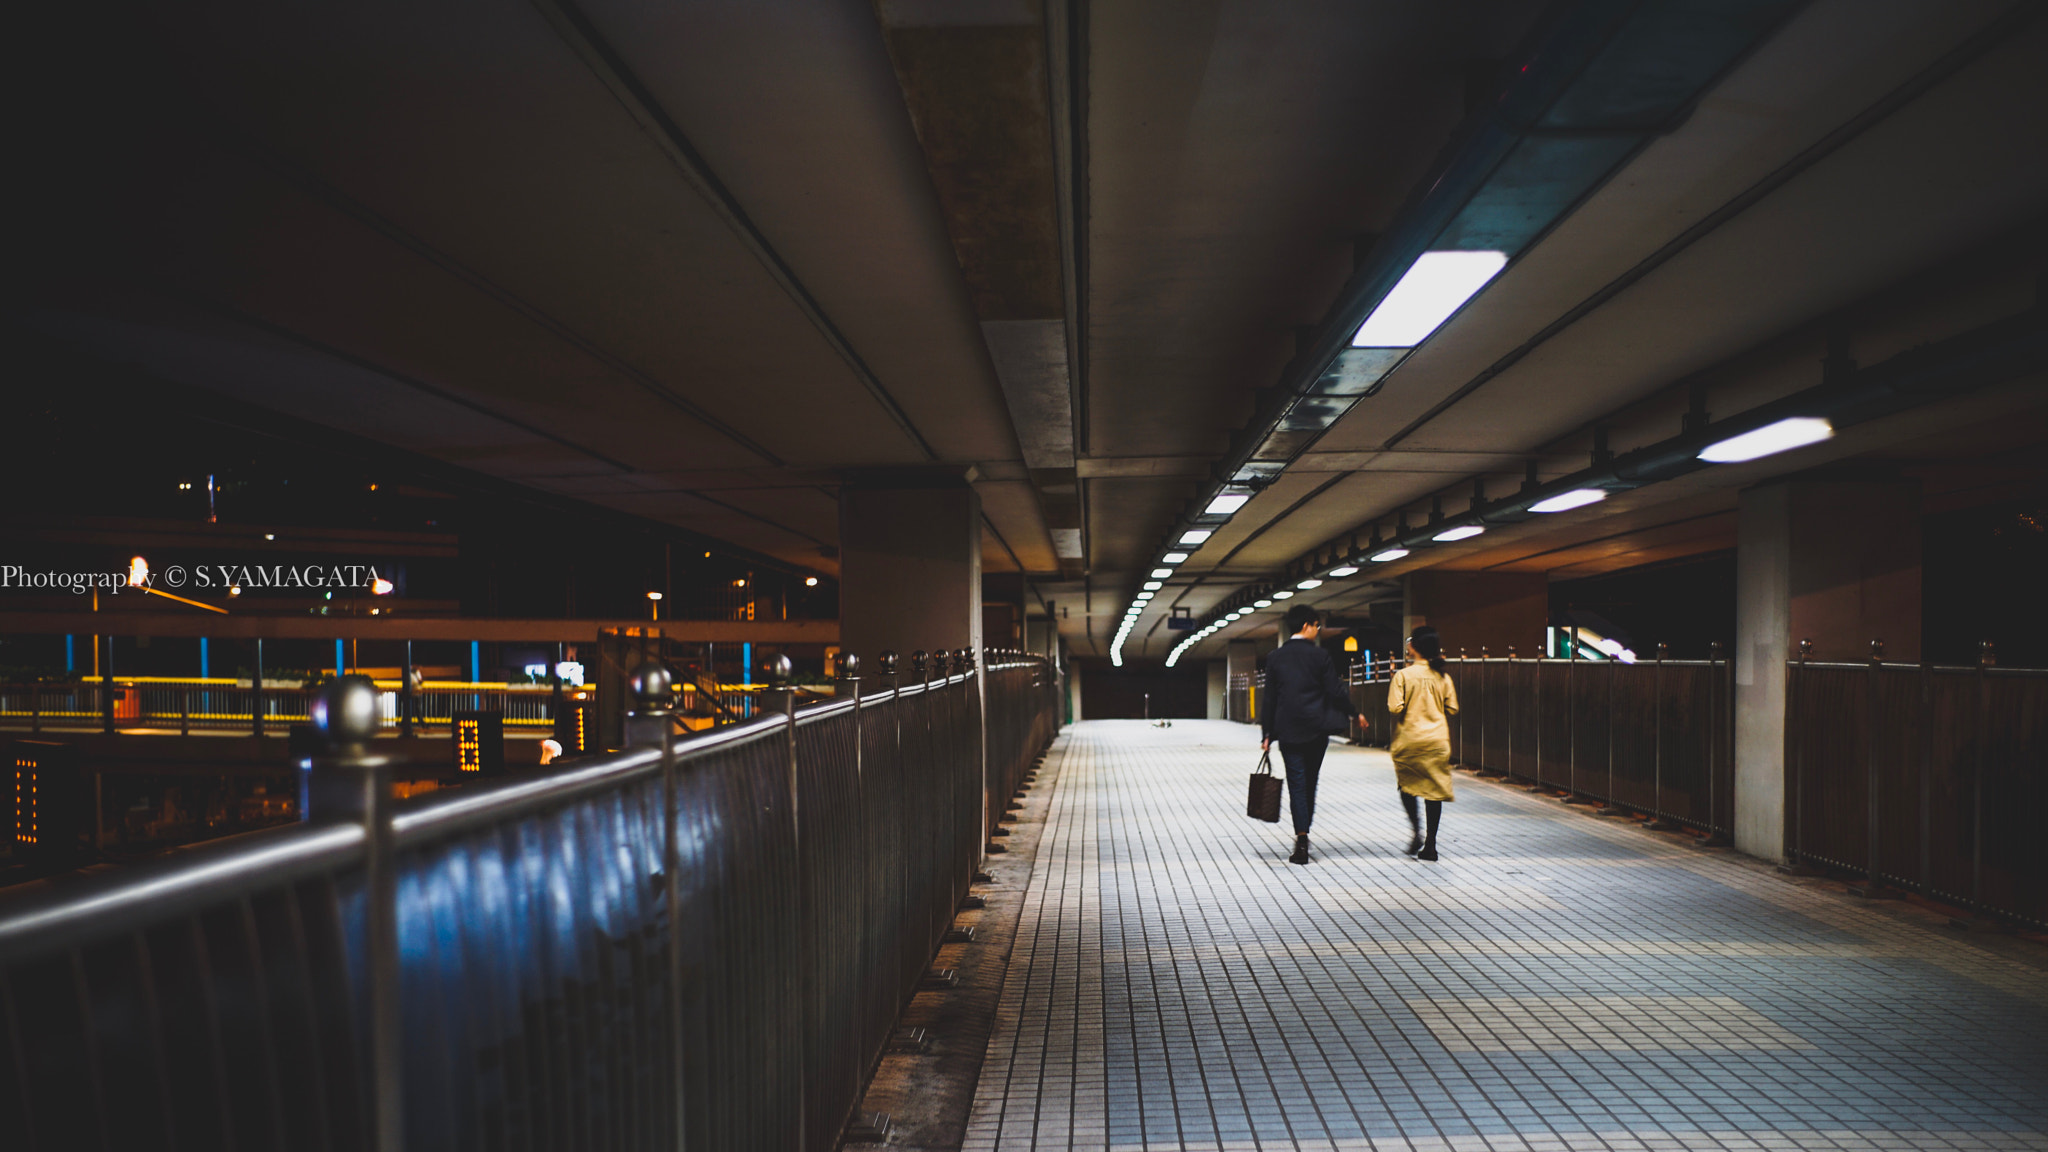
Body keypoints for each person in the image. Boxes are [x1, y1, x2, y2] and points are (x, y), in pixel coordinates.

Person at [1260, 604, 1361, 865]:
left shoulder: (1275, 657)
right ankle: (1305, 830)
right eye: (1316, 625)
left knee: (1296, 784)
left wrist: (1266, 734)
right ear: (1307, 625)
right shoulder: (1320, 657)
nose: (1317, 631)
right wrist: (1353, 712)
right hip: (1316, 730)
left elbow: (1269, 699)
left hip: (1288, 730)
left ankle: (1301, 837)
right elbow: (1335, 690)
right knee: (1310, 782)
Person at [1388, 626, 1459, 861]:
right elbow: (1452, 707)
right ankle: (1431, 844)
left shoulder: (1403, 676)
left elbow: (1394, 707)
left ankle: (1416, 830)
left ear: (1414, 647)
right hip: (1437, 741)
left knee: (1407, 787)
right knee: (1434, 792)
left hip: (1410, 741)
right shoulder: (1443, 676)